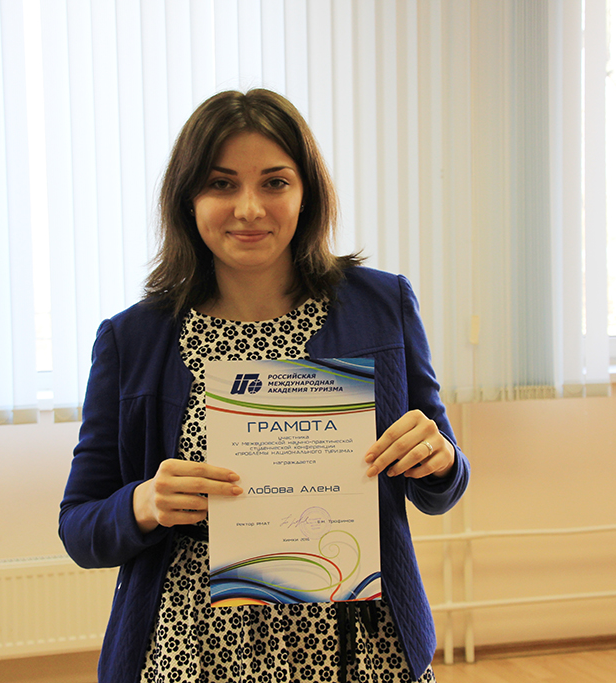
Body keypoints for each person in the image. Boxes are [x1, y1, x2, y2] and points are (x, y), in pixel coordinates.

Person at [59, 88, 470, 683]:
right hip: (192, 654)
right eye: (221, 184)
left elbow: (442, 486)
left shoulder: (382, 306)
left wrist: (438, 459)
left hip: (359, 649)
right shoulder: (134, 339)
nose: (249, 208)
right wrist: (144, 503)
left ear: (306, 194)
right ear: (188, 199)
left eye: (274, 182)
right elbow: (79, 527)